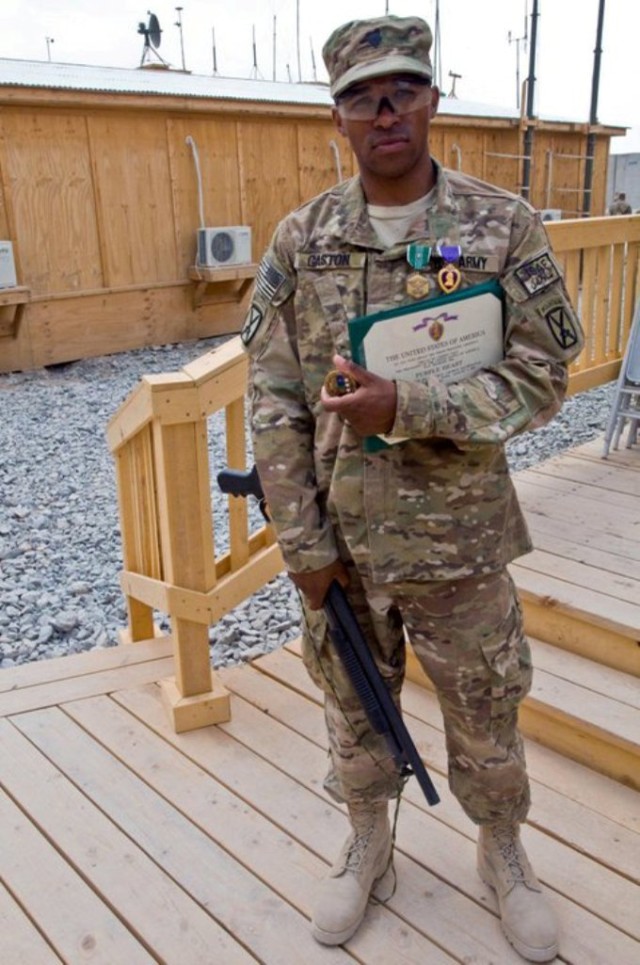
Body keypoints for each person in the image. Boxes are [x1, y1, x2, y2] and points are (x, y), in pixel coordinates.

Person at [241, 15, 583, 963]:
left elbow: (546, 373)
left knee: (486, 710)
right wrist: (302, 548)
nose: (383, 109)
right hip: (341, 544)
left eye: (402, 89)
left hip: (460, 541)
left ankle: (503, 853)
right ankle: (371, 845)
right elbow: (269, 396)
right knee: (354, 712)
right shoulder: (301, 240)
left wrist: (412, 404)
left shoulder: (501, 226)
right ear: (337, 116)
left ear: (432, 98)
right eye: (362, 95)